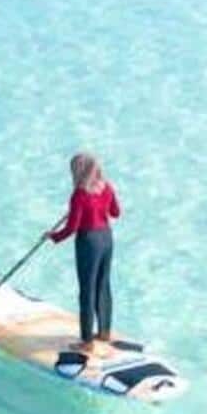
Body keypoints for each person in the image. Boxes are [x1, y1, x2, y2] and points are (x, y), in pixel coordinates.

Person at [44, 152, 120, 358]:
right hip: (107, 238)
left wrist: (53, 236)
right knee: (103, 285)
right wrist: (96, 208)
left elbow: (71, 228)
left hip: (89, 242)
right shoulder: (107, 187)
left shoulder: (79, 195)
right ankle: (104, 332)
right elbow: (115, 213)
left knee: (87, 291)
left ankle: (87, 342)